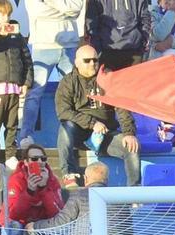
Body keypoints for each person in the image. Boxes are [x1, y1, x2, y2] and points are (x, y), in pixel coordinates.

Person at [55, 45, 141, 188]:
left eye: (95, 60)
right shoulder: (68, 82)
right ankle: (69, 173)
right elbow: (63, 112)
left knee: (131, 145)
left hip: (105, 135)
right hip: (79, 135)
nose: (92, 64)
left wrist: (129, 133)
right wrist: (92, 123)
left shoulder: (107, 78)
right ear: (76, 62)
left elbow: (121, 106)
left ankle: (134, 193)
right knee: (65, 126)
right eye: (87, 60)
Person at [20, 0, 84, 146]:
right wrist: (65, 10)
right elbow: (37, 12)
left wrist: (51, 2)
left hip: (70, 45)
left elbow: (77, 8)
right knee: (34, 93)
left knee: (73, 94)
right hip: (43, 45)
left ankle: (75, 136)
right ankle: (25, 136)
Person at [0, 0, 32, 164]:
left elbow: (27, 60)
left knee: (12, 124)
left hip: (14, 87)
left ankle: (10, 155)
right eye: (1, 13)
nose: (5, 18)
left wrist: (26, 83)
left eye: (8, 14)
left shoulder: (17, 35)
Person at [5, 144, 64, 227]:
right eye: (34, 159)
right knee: (15, 226)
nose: (39, 162)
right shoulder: (16, 179)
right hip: (20, 223)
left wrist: (43, 189)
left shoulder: (52, 180)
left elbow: (57, 215)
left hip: (42, 225)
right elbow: (13, 215)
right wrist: (29, 191)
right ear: (26, 162)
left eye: (43, 159)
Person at [85, 0, 150, 71]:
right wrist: (99, 51)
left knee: (133, 81)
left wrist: (143, 43)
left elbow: (145, 19)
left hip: (134, 52)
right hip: (107, 53)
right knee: (109, 82)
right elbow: (92, 25)